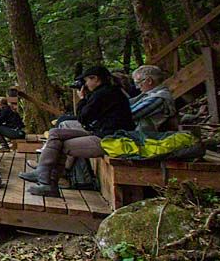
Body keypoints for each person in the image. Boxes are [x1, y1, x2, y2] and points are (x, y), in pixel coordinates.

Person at [18, 65, 135, 196]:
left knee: (61, 145)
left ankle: (47, 182)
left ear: (95, 79)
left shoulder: (105, 93)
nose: (85, 84)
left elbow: (83, 117)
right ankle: (43, 175)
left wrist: (82, 99)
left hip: (110, 139)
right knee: (54, 133)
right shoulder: (107, 91)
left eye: (86, 81)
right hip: (101, 132)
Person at [130, 65, 176, 131]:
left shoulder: (158, 97)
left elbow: (130, 114)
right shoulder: (151, 94)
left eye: (138, 83)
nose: (137, 87)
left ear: (149, 81)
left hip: (150, 139)